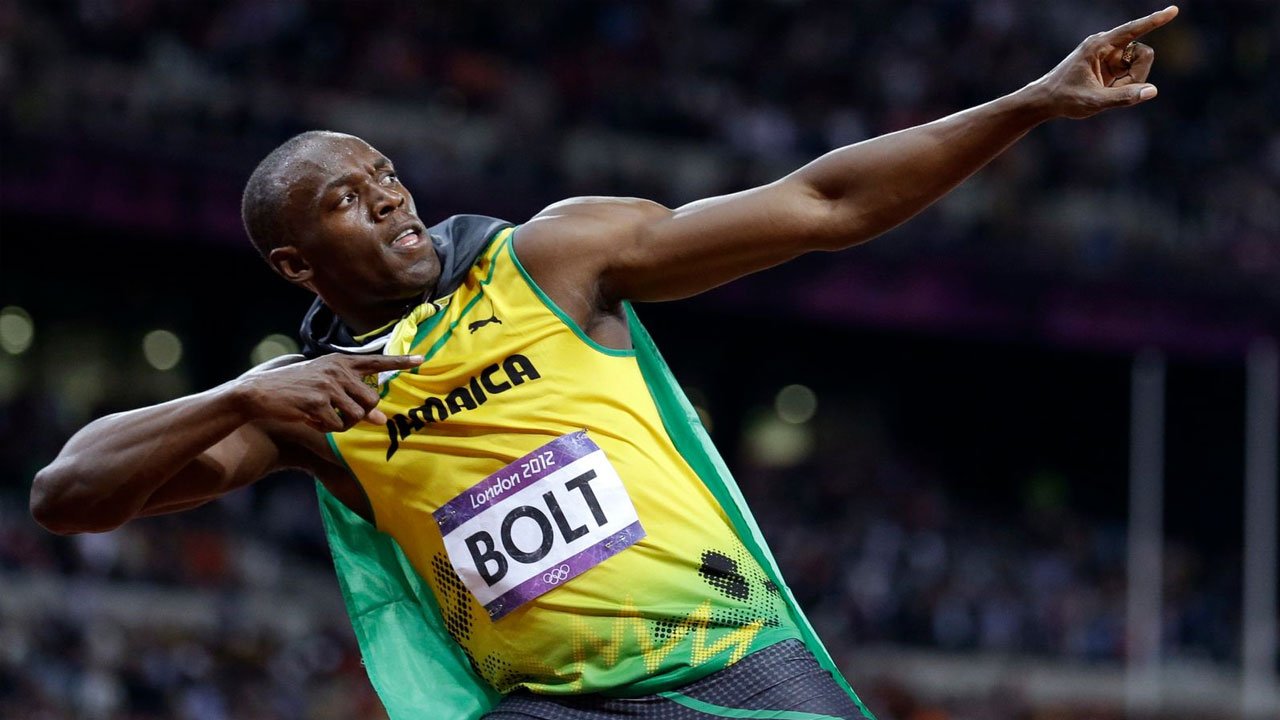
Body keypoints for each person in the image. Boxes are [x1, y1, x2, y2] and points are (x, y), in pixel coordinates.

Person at [30, 7, 1177, 719]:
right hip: (552, 706)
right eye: (343, 197)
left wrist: (1026, 105)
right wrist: (238, 392)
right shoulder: (305, 405)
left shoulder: (548, 259)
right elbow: (67, 495)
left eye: (382, 172)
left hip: (733, 667)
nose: (384, 196)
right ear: (295, 262)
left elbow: (822, 203)